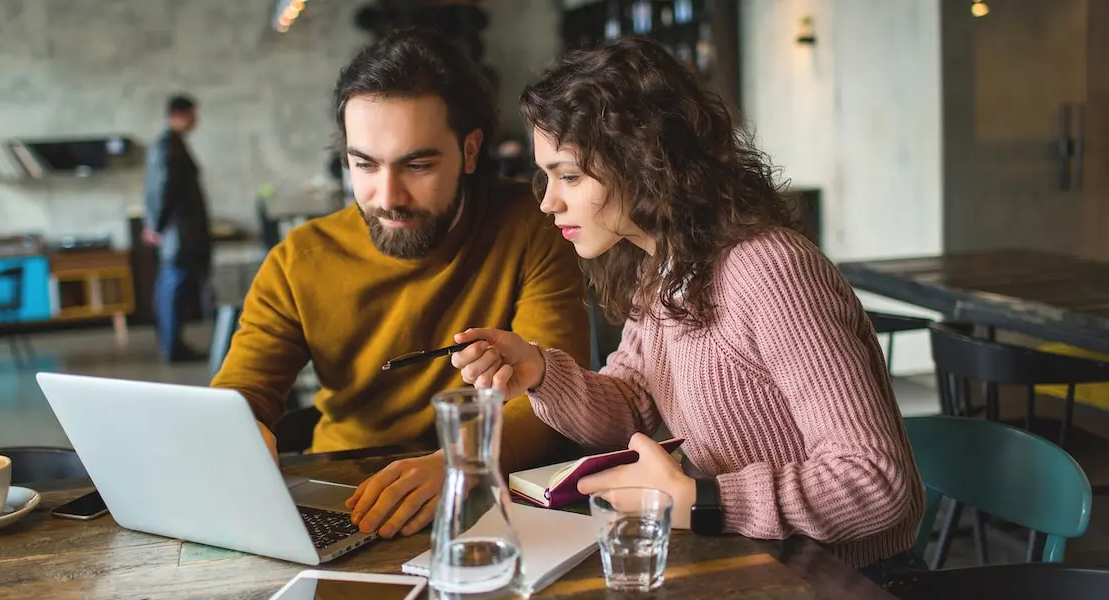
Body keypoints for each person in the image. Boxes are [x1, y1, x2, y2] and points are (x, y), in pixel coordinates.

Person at [448, 37, 925, 582]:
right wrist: (537, 369)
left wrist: (702, 499)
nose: (547, 200)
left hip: (846, 580)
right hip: (749, 565)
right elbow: (630, 408)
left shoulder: (769, 269)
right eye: (546, 175)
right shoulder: (662, 266)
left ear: (643, 161)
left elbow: (876, 483)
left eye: (570, 175)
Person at [209, 29, 590, 541]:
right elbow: (242, 392)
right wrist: (237, 435)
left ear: (471, 150)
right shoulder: (299, 259)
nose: (388, 196)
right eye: (364, 164)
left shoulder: (534, 227)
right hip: (346, 494)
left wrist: (458, 463)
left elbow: (557, 401)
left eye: (418, 165)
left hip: (489, 492)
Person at [143, 94, 213, 363]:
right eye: (193, 116)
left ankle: (172, 344)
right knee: (173, 289)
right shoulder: (168, 146)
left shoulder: (168, 145)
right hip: (178, 235)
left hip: (175, 233)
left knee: (171, 288)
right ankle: (172, 347)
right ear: (179, 115)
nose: (196, 122)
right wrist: (157, 226)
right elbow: (163, 190)